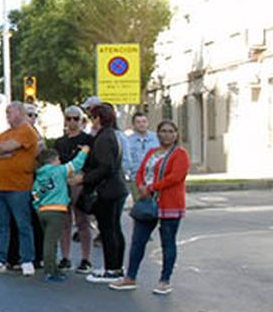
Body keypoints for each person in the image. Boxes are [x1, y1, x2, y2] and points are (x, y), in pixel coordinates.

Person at [110, 119, 189, 294]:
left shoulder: (180, 154)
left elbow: (175, 177)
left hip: (169, 203)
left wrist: (152, 187)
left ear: (176, 134)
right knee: (138, 240)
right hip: (148, 202)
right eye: (163, 131)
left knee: (168, 241)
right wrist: (140, 185)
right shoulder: (153, 152)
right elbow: (141, 171)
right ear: (158, 133)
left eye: (171, 131)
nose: (167, 135)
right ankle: (130, 277)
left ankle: (165, 280)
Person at [0, 102, 39, 276]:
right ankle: (0, 259)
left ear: (20, 112)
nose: (7, 116)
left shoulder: (27, 131)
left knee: (23, 224)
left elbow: (5, 147)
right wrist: (2, 154)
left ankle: (27, 259)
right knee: (1, 225)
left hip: (19, 186)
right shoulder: (3, 134)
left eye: (9, 112)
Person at [78, 102, 128, 282]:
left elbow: (105, 166)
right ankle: (116, 267)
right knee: (114, 228)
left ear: (98, 118)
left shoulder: (104, 137)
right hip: (116, 187)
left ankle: (111, 269)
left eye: (92, 117)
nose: (91, 121)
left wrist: (84, 178)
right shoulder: (111, 135)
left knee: (108, 229)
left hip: (108, 189)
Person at [31, 144, 86, 283]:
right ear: (53, 160)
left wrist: (38, 208)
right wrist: (85, 151)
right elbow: (76, 165)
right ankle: (50, 270)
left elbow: (35, 195)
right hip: (57, 210)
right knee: (51, 242)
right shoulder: (59, 171)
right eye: (58, 160)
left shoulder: (40, 176)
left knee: (50, 240)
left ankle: (53, 267)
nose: (60, 162)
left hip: (43, 210)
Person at [54, 106, 95, 272]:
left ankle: (86, 258)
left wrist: (82, 178)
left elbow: (92, 163)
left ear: (82, 121)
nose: (72, 122)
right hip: (64, 183)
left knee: (83, 221)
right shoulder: (59, 142)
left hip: (81, 183)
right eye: (69, 118)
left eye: (75, 119)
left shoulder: (88, 140)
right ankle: (65, 257)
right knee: (64, 222)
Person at [120, 110, 160, 181]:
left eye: (144, 122)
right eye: (138, 122)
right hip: (135, 178)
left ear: (148, 123)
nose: (142, 124)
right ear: (133, 124)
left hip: (154, 178)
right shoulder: (127, 141)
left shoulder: (157, 138)